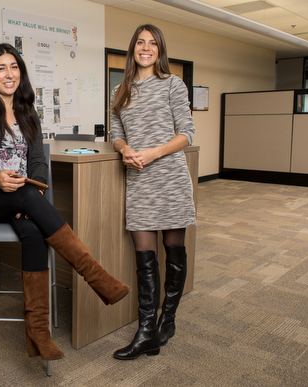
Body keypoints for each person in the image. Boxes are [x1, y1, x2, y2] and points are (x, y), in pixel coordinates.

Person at [0, 43, 131, 361]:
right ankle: (97, 277)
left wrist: (36, 190)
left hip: (21, 196)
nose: (9, 74)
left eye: (14, 67)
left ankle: (38, 334)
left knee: (34, 233)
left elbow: (37, 163)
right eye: (1, 67)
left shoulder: (27, 110)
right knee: (31, 200)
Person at [109, 24, 196, 360]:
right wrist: (124, 149)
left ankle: (167, 320)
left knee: (173, 251)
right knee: (144, 256)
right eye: (140, 43)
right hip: (140, 180)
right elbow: (115, 132)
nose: (146, 48)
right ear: (133, 49)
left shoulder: (172, 84)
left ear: (160, 50)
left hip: (170, 178)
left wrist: (153, 152)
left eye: (152, 43)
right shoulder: (121, 89)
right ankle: (147, 331)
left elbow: (187, 133)